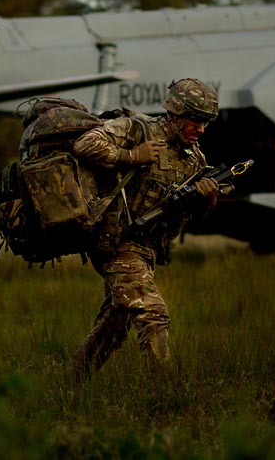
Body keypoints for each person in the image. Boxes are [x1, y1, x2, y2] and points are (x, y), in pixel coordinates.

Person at [69, 78, 220, 377]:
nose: (200, 130)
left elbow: (189, 210)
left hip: (148, 250)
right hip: (117, 242)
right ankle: (164, 394)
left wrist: (207, 198)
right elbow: (84, 144)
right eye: (195, 121)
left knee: (117, 320)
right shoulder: (137, 130)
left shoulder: (194, 158)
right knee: (152, 312)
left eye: (206, 123)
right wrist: (131, 156)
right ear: (175, 114)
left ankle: (74, 379)